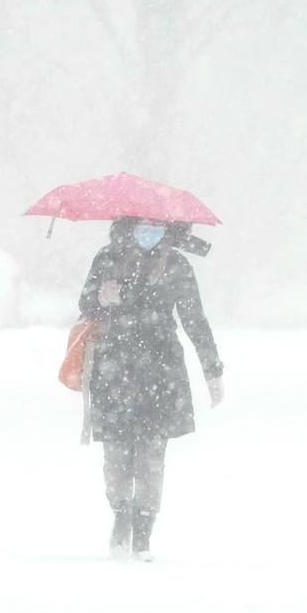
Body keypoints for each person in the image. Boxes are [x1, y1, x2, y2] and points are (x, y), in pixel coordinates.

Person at [77, 217, 224, 560]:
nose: (149, 234)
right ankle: (121, 515)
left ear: (169, 230)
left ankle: (143, 532)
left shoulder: (177, 264)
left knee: (151, 455)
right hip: (115, 367)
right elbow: (85, 305)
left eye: (157, 227)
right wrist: (102, 297)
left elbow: (194, 319)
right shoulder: (107, 258)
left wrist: (212, 368)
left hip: (162, 370)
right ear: (128, 227)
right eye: (143, 226)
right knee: (115, 452)